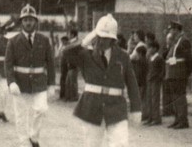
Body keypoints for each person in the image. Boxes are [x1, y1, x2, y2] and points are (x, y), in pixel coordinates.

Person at [61, 14, 142, 146]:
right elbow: (66, 53)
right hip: (91, 107)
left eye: (105, 38)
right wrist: (84, 41)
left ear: (113, 40)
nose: (101, 41)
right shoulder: (86, 54)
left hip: (116, 108)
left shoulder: (123, 56)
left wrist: (136, 108)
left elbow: (132, 84)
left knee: (120, 144)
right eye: (99, 37)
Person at [4, 5, 57, 147]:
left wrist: (52, 84)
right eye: (26, 20)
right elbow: (8, 65)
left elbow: (50, 63)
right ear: (21, 22)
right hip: (20, 83)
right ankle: (23, 143)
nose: (28, 23)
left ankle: (33, 137)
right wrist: (11, 82)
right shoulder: (13, 41)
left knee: (41, 109)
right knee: (20, 115)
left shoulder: (44, 40)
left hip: (39, 83)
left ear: (36, 22)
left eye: (31, 20)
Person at [164, 21, 192, 128]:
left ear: (176, 29)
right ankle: (178, 118)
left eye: (171, 29)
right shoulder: (177, 41)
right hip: (173, 73)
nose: (170, 32)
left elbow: (189, 59)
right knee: (175, 97)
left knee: (180, 96)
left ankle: (183, 120)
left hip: (180, 73)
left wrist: (187, 72)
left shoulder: (184, 40)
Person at [143, 42, 165, 126]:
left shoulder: (159, 58)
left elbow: (162, 70)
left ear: (155, 49)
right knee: (149, 99)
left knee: (155, 99)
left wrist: (159, 78)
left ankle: (156, 118)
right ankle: (150, 117)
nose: (149, 50)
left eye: (151, 48)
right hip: (149, 80)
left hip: (155, 81)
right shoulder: (150, 58)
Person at [59, 30, 81, 102]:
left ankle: (74, 97)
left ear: (72, 35)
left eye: (69, 34)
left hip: (73, 64)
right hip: (69, 63)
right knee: (69, 81)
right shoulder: (71, 42)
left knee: (72, 81)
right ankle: (69, 96)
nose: (68, 36)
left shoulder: (75, 42)